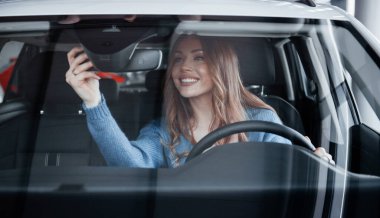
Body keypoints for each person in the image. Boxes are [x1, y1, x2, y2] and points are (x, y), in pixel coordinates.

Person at [65, 34, 333, 168]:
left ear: (222, 66)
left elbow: (289, 167)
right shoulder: (163, 131)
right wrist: (93, 101)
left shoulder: (262, 121)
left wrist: (315, 163)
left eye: (199, 57)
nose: (184, 68)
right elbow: (131, 165)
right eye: (178, 59)